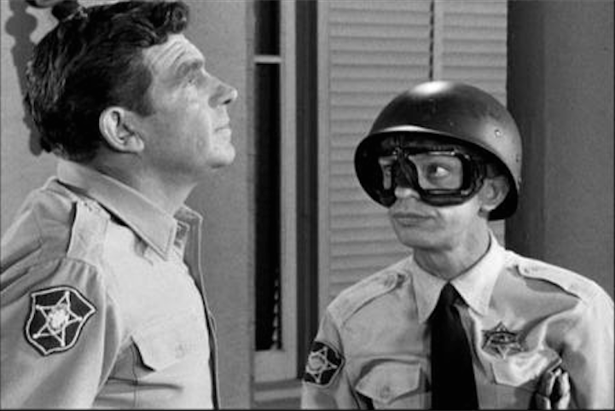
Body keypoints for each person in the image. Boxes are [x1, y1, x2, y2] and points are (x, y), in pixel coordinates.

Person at [301, 80, 614, 409]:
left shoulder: (574, 312)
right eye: (392, 171)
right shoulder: (351, 320)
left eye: (435, 171)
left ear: (491, 192)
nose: (404, 191)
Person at [1, 0, 238, 408]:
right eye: (189, 80)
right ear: (122, 129)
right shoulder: (78, 270)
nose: (227, 92)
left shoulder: (148, 236)